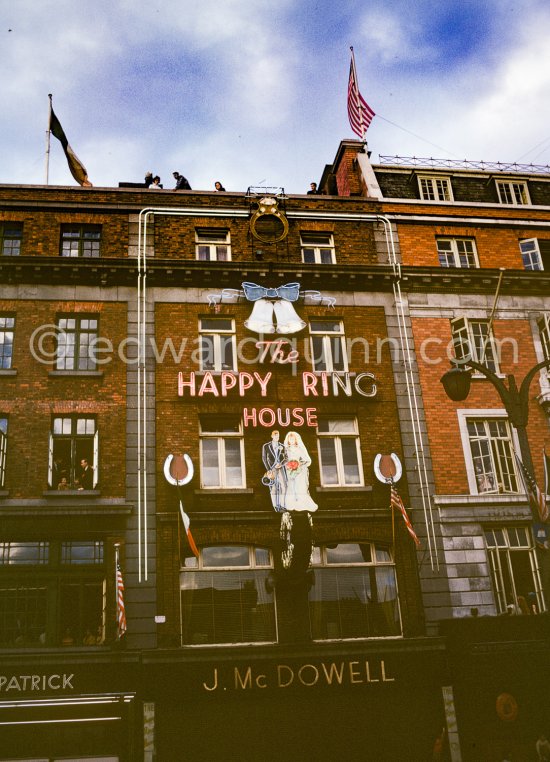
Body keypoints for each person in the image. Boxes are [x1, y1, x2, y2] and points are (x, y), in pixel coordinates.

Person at [283, 431, 318, 512]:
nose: (291, 440)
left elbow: (307, 460)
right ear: (288, 440)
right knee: (290, 486)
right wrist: (288, 465)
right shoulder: (286, 450)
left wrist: (299, 464)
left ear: (296, 440)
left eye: (293, 439)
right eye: (290, 439)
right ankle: (290, 504)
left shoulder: (299, 449)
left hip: (298, 471)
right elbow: (283, 460)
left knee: (299, 486)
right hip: (289, 471)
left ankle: (300, 504)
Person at [262, 430, 287, 512]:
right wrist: (269, 469)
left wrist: (281, 464)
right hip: (272, 468)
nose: (277, 437)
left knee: (284, 486)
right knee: (273, 487)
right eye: (275, 435)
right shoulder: (266, 446)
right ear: (272, 436)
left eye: (278, 436)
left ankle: (282, 505)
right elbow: (264, 458)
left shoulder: (282, 446)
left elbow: (286, 458)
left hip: (280, 468)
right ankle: (276, 506)